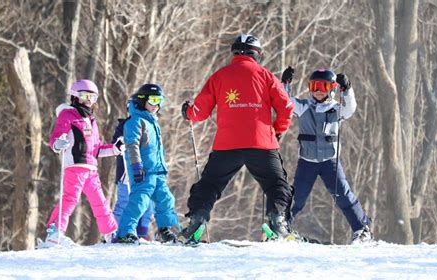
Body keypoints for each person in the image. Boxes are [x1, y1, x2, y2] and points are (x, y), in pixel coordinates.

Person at [179, 33, 294, 242]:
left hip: (227, 144)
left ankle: (197, 220)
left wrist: (188, 112)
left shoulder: (220, 76)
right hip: (261, 143)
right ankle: (277, 221)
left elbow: (200, 111)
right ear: (257, 54)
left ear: (234, 52)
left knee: (209, 184)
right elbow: (286, 108)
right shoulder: (266, 76)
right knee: (277, 184)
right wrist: (276, 130)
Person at [281, 67, 372, 243]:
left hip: (330, 162)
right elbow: (285, 101)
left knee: (343, 194)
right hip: (307, 162)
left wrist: (347, 89)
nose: (318, 91)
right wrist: (285, 84)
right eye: (314, 86)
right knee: (297, 196)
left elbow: (350, 108)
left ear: (331, 89)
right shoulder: (304, 107)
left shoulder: (336, 109)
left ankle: (362, 229)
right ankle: (282, 227)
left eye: (323, 86)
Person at [45, 79, 120, 245]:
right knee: (70, 198)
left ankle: (111, 233)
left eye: (92, 97)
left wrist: (115, 149)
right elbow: (56, 136)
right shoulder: (68, 114)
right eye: (84, 96)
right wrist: (58, 143)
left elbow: (98, 148)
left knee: (100, 201)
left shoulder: (92, 120)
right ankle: (54, 232)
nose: (88, 100)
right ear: (74, 96)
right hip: (75, 166)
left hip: (91, 169)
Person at [115, 84, 179, 244]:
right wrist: (136, 166)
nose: (156, 105)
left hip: (157, 171)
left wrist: (163, 167)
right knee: (140, 201)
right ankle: (125, 232)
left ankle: (165, 230)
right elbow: (132, 145)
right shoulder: (135, 122)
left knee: (166, 199)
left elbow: (157, 150)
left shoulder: (153, 123)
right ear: (142, 101)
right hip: (143, 171)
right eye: (153, 101)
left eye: (160, 101)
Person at [111, 115, 154, 240]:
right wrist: (120, 142)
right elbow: (115, 145)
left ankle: (141, 233)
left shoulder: (151, 125)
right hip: (126, 171)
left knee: (147, 203)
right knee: (124, 201)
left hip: (146, 171)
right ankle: (114, 232)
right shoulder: (124, 125)